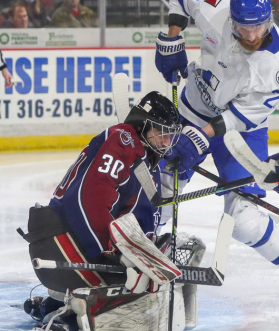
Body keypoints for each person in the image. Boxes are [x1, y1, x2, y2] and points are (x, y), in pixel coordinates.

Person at [155, 0, 279, 327]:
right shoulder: (216, 9)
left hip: (240, 131)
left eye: (258, 26)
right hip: (191, 109)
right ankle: (143, 248)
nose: (251, 35)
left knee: (243, 221)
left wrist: (199, 137)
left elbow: (237, 117)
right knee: (160, 190)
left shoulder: (275, 65)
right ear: (232, 19)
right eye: (243, 28)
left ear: (269, 18)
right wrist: (173, 36)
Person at [19, 92, 193, 331]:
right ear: (142, 125)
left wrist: (147, 249)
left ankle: (50, 306)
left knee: (141, 278)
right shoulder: (123, 141)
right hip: (60, 242)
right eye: (161, 133)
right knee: (135, 289)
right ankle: (67, 321)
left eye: (170, 135)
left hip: (68, 242)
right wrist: (118, 253)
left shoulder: (144, 162)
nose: (166, 142)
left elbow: (138, 221)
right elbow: (88, 201)